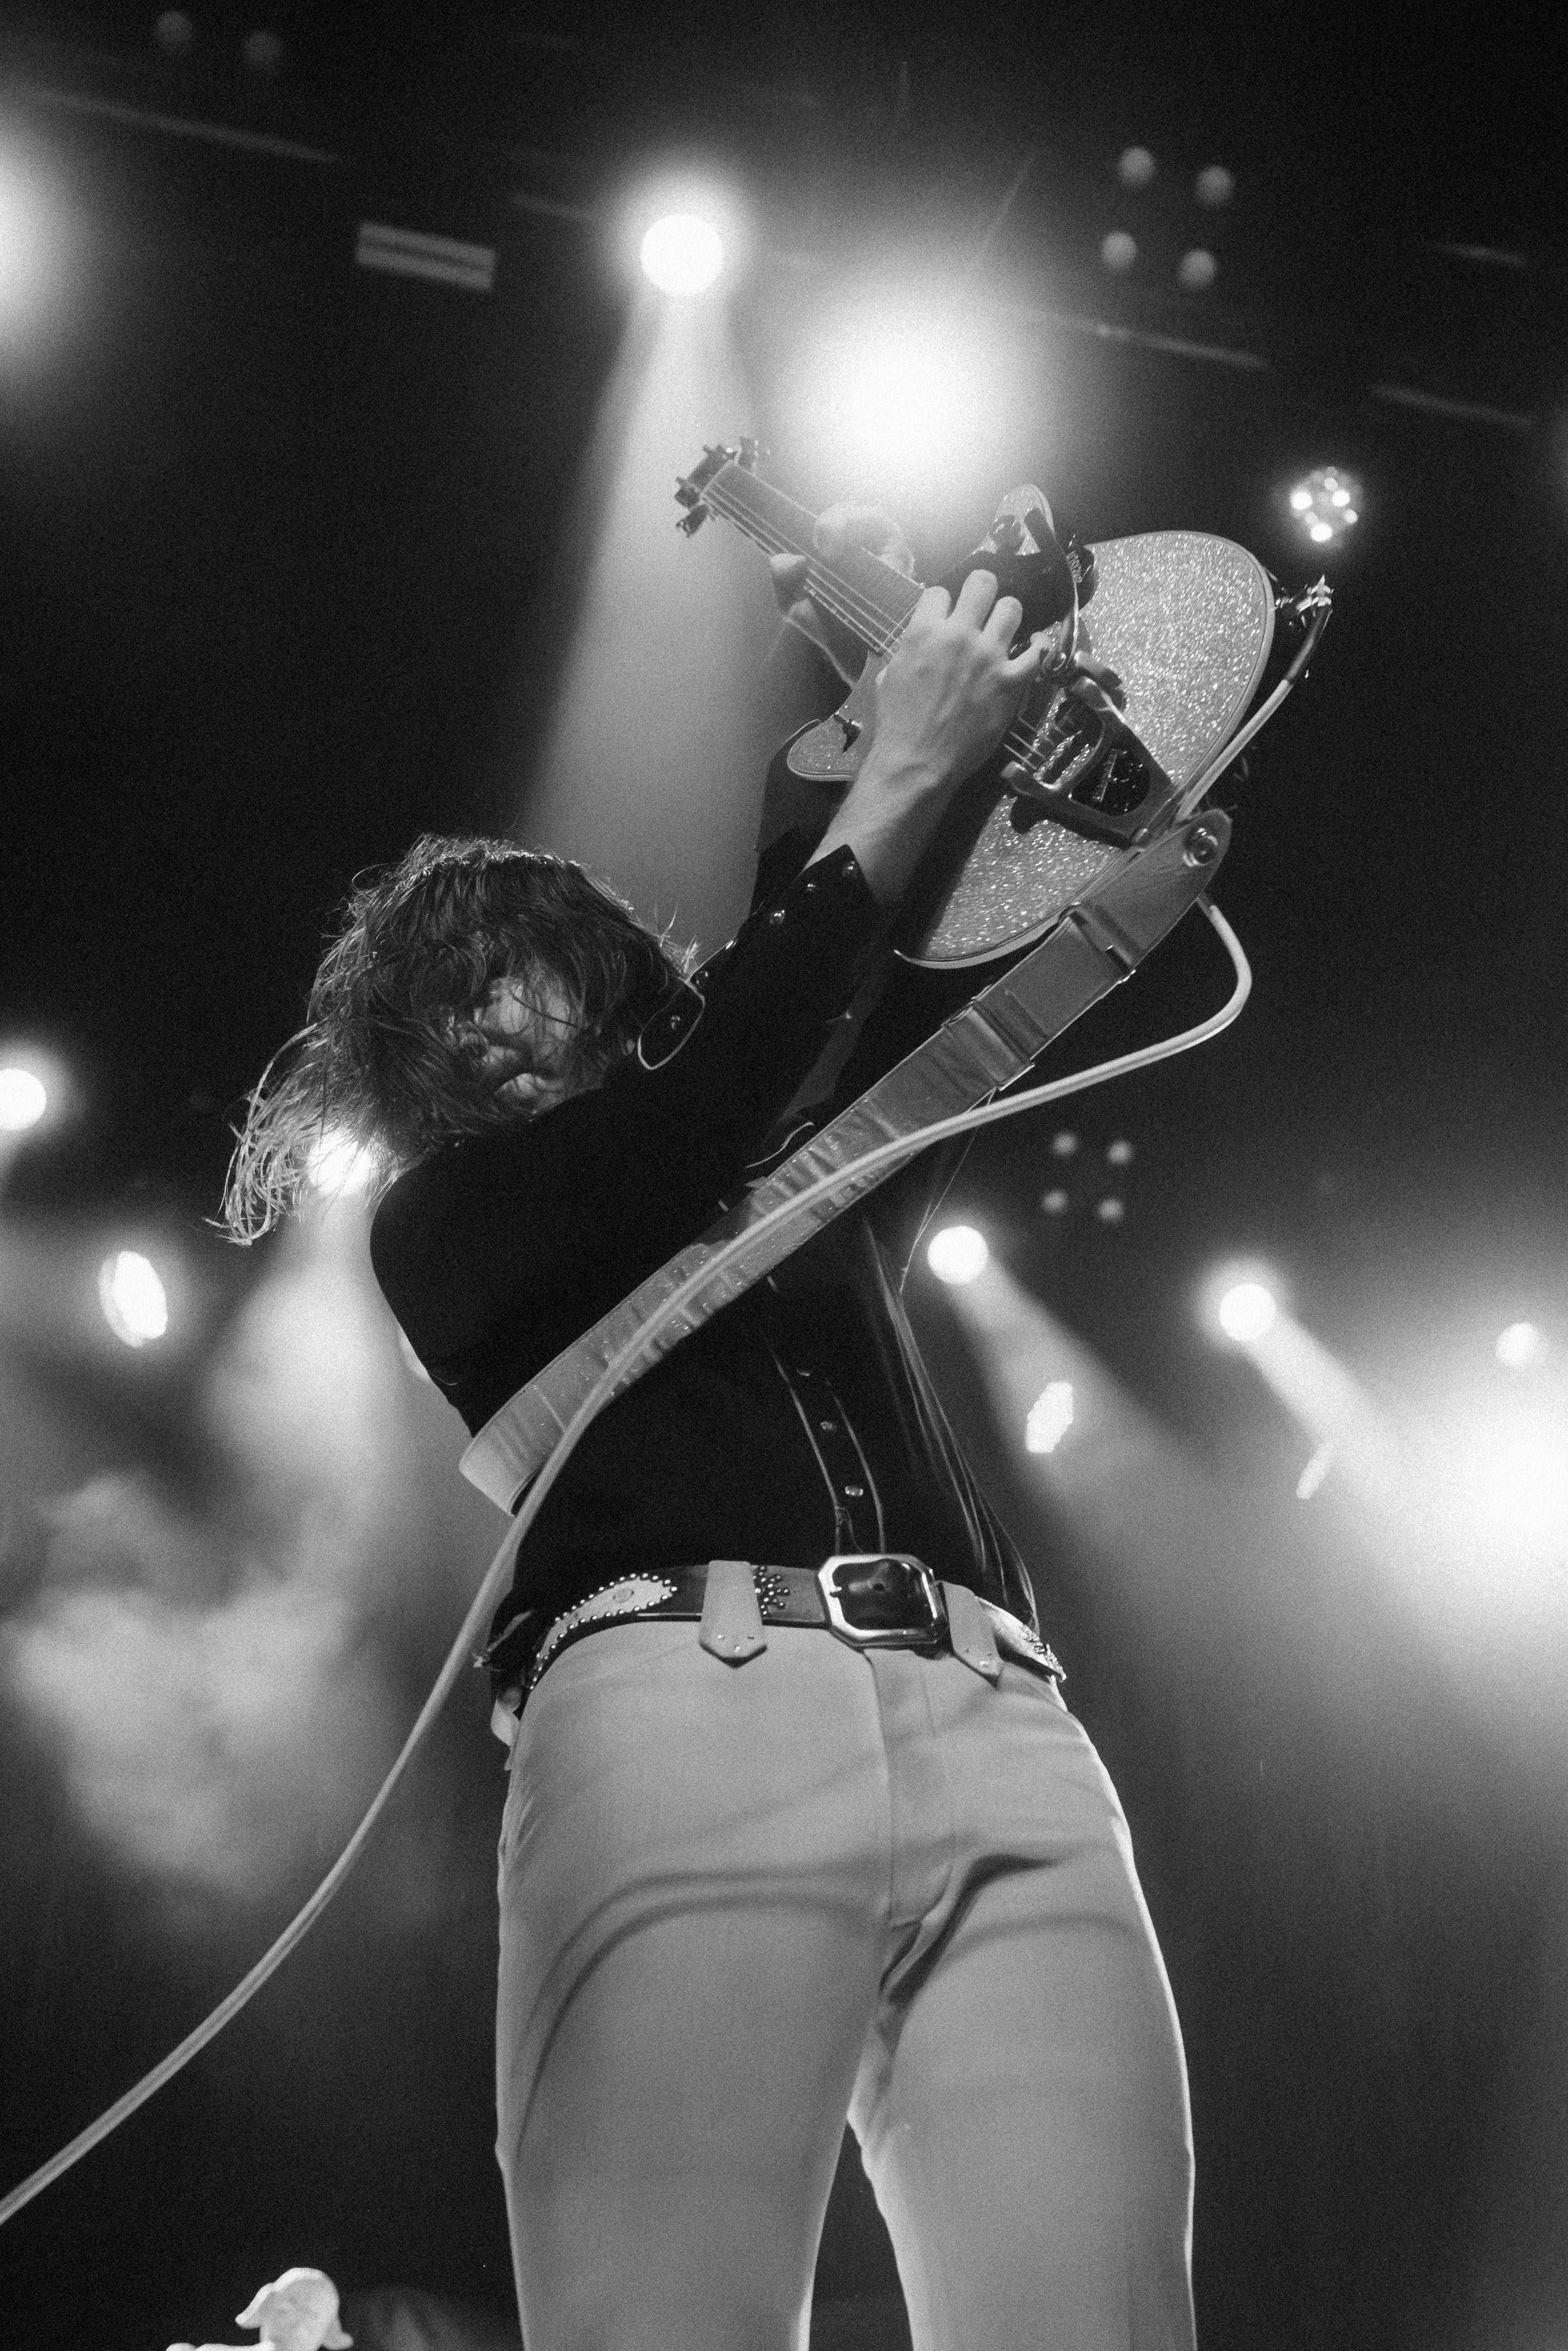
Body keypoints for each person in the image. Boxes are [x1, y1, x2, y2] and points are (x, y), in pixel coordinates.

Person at [225, 516, 1196, 2351]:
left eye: (521, 969)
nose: (486, 1024)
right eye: (438, 1013)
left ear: (609, 977)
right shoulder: (457, 1224)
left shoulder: (764, 1141)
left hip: (1008, 1724)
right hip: (684, 1706)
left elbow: (863, 1034)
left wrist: (948, 755)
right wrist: (881, 783)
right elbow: (688, 1127)